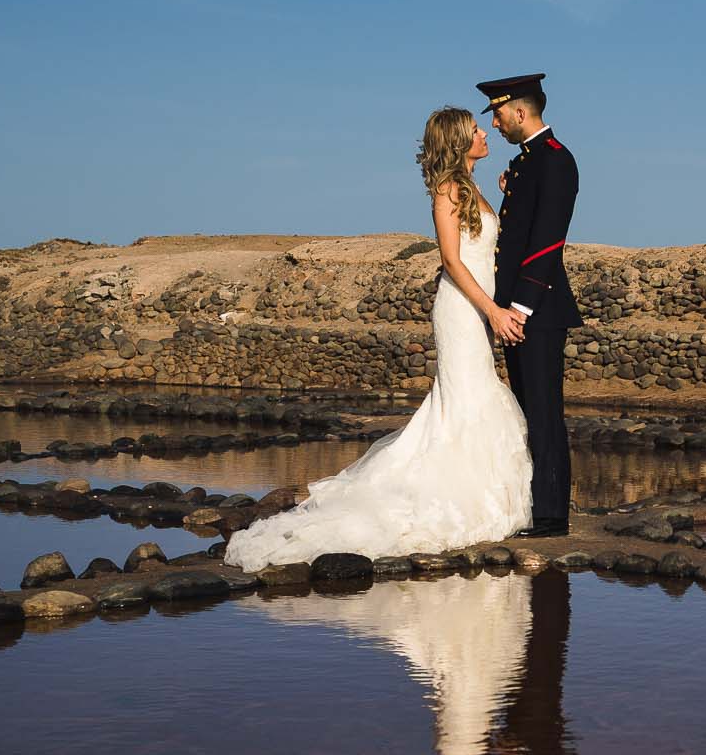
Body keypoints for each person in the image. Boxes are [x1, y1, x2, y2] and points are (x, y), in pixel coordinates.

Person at [223, 106, 533, 570]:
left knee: (473, 395)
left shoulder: (473, 189)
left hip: (477, 310)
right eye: (474, 131)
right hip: (464, 311)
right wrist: (491, 311)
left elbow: (483, 247)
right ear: (456, 141)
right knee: (468, 397)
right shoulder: (447, 190)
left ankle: (474, 491)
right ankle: (453, 497)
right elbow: (451, 260)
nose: (485, 134)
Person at [478, 73, 582, 539]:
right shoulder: (525, 164)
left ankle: (551, 516)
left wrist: (520, 306)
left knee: (543, 412)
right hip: (520, 309)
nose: (495, 125)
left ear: (520, 112)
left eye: (498, 115)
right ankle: (534, 507)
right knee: (526, 410)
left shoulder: (556, 161)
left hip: (535, 310)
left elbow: (545, 243)